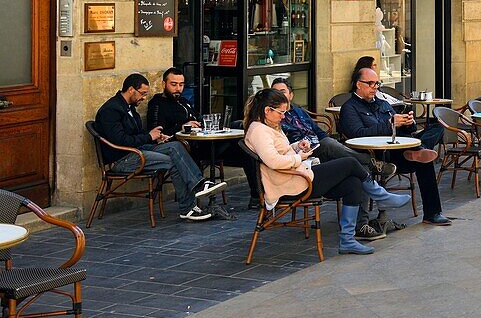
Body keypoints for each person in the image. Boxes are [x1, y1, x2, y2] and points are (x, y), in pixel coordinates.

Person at [244, 88, 376, 255]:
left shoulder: (268, 126)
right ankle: (379, 193)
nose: (284, 116)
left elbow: (279, 152)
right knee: (349, 163)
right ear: (267, 110)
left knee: (353, 183)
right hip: (291, 183)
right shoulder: (259, 131)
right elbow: (274, 161)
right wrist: (299, 157)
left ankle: (347, 240)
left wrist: (296, 146)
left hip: (297, 176)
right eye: (281, 112)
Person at [272, 78, 406, 242]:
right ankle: (376, 178)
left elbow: (317, 132)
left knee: (352, 166)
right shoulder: (273, 120)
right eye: (275, 92)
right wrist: (300, 151)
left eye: (283, 92)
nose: (279, 95)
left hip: (316, 150)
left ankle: (358, 228)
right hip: (304, 163)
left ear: (291, 95)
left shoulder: (299, 111)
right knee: (350, 159)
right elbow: (279, 152)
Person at [94, 73, 226, 221]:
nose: (144, 98)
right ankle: (190, 204)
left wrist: (155, 137)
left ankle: (198, 188)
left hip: (138, 150)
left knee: (174, 146)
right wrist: (148, 136)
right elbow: (120, 140)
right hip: (122, 159)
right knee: (174, 162)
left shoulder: (129, 107)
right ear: (131, 89)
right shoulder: (111, 110)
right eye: (142, 93)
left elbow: (135, 134)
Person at [338, 67, 452, 226]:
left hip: (401, 146)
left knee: (437, 128)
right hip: (379, 157)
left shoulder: (383, 103)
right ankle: (419, 153)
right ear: (358, 84)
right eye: (370, 83)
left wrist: (408, 122)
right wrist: (390, 124)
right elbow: (358, 134)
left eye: (377, 84)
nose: (375, 87)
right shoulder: (349, 108)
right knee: (423, 160)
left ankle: (420, 150)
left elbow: (404, 129)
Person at [146, 67, 261, 208]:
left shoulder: (183, 101)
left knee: (244, 145)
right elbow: (159, 134)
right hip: (189, 149)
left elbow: (199, 118)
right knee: (241, 143)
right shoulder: (157, 104)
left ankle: (257, 195)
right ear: (164, 84)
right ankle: (205, 193)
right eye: (173, 84)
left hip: (206, 142)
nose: (178, 88)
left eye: (181, 85)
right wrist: (183, 127)